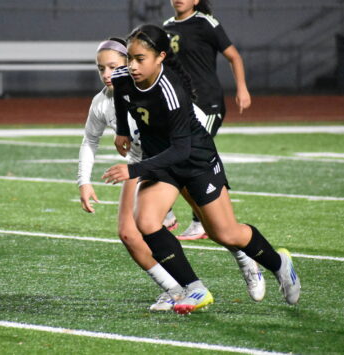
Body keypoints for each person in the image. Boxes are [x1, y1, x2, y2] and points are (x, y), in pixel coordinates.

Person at [102, 25, 300, 315]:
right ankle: (194, 288)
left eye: (140, 59)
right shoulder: (124, 77)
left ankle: (280, 264)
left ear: (160, 57)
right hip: (163, 161)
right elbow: (122, 96)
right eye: (129, 57)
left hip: (196, 161)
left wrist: (134, 170)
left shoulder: (172, 91)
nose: (131, 65)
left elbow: (182, 151)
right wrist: (122, 130)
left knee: (226, 233)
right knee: (145, 221)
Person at [78, 38, 264, 311]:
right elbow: (89, 140)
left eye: (114, 66)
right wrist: (84, 182)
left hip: (180, 161)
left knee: (215, 227)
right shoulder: (102, 102)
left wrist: (200, 161)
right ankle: (176, 290)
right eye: (100, 68)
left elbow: (194, 122)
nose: (107, 74)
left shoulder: (156, 88)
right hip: (141, 163)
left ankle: (246, 258)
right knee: (129, 234)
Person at [164, 0, 252, 241]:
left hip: (208, 103)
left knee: (193, 152)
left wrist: (242, 88)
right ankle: (169, 212)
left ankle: (197, 221)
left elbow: (234, 57)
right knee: (172, 149)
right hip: (182, 105)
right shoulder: (166, 27)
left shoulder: (205, 23)